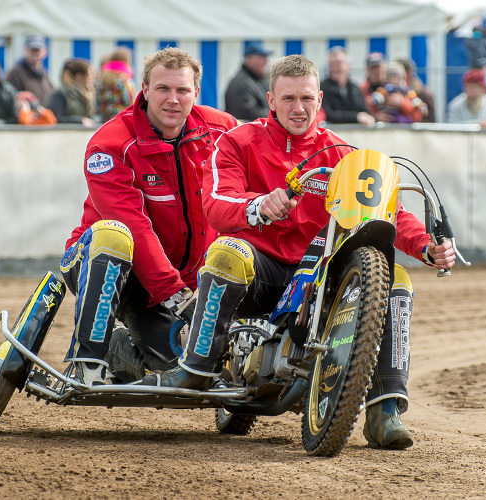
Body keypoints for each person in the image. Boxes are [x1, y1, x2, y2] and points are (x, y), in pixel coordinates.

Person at [142, 54, 456, 450]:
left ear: (320, 99)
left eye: (307, 98)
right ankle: (196, 366)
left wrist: (426, 245)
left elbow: (390, 210)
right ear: (271, 99)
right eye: (288, 99)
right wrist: (258, 206)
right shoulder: (238, 141)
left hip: (315, 272)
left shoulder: (342, 154)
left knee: (397, 280)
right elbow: (217, 204)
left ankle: (385, 409)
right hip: (259, 266)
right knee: (226, 251)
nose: (299, 108)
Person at [60, 47, 237, 386]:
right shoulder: (110, 143)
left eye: (182, 90)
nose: (173, 99)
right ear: (143, 89)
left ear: (196, 93)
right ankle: (88, 361)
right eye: (163, 89)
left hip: (176, 283)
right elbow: (134, 227)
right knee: (114, 234)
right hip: (104, 267)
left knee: (184, 367)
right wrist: (178, 296)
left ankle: (121, 349)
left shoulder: (223, 131)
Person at [319, 47, 375, 126]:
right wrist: (356, 117)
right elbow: (328, 114)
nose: (335, 67)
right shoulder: (322, 88)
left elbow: (364, 111)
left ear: (348, 66)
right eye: (331, 64)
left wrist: (373, 117)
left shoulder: (355, 88)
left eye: (338, 63)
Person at [224, 42, 271, 121]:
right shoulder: (240, 82)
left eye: (266, 58)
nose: (266, 61)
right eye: (261, 57)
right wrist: (276, 113)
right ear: (249, 58)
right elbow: (246, 114)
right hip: (248, 130)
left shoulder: (258, 79)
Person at [46, 58, 96, 127]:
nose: (93, 80)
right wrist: (80, 121)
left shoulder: (86, 95)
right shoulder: (60, 93)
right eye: (90, 76)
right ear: (79, 77)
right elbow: (54, 118)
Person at [5, 34, 53, 105]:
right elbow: (8, 98)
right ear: (25, 50)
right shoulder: (16, 72)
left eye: (38, 50)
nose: (35, 53)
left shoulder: (44, 73)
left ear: (44, 52)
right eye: (32, 50)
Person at [95, 47, 137, 122]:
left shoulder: (101, 79)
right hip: (120, 120)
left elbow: (96, 101)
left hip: (103, 120)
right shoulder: (124, 80)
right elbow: (129, 102)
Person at [397, 57, 436, 122]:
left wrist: (404, 104)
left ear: (407, 74)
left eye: (396, 75)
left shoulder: (423, 95)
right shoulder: (390, 91)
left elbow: (429, 123)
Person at [359, 52, 393, 122]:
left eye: (378, 67)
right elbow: (358, 111)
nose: (376, 71)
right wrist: (375, 116)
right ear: (367, 70)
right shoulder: (361, 89)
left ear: (385, 67)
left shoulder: (394, 86)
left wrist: (402, 102)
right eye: (373, 68)